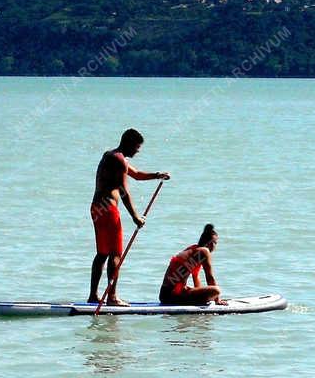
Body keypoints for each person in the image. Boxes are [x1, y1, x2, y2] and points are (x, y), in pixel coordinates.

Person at [88, 128, 170, 306]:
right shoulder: (119, 160)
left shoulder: (111, 156)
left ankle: (93, 295)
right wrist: (135, 216)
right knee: (116, 254)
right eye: (137, 147)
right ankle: (112, 297)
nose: (138, 151)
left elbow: (137, 175)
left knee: (102, 253)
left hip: (96, 208)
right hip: (108, 210)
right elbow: (124, 191)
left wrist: (157, 175)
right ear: (129, 143)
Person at [159, 224, 224, 305]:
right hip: (172, 296)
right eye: (215, 243)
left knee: (207, 291)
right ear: (210, 243)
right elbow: (210, 278)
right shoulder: (204, 251)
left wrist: (201, 293)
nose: (215, 247)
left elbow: (195, 277)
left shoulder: (194, 250)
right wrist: (217, 299)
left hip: (164, 295)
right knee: (216, 290)